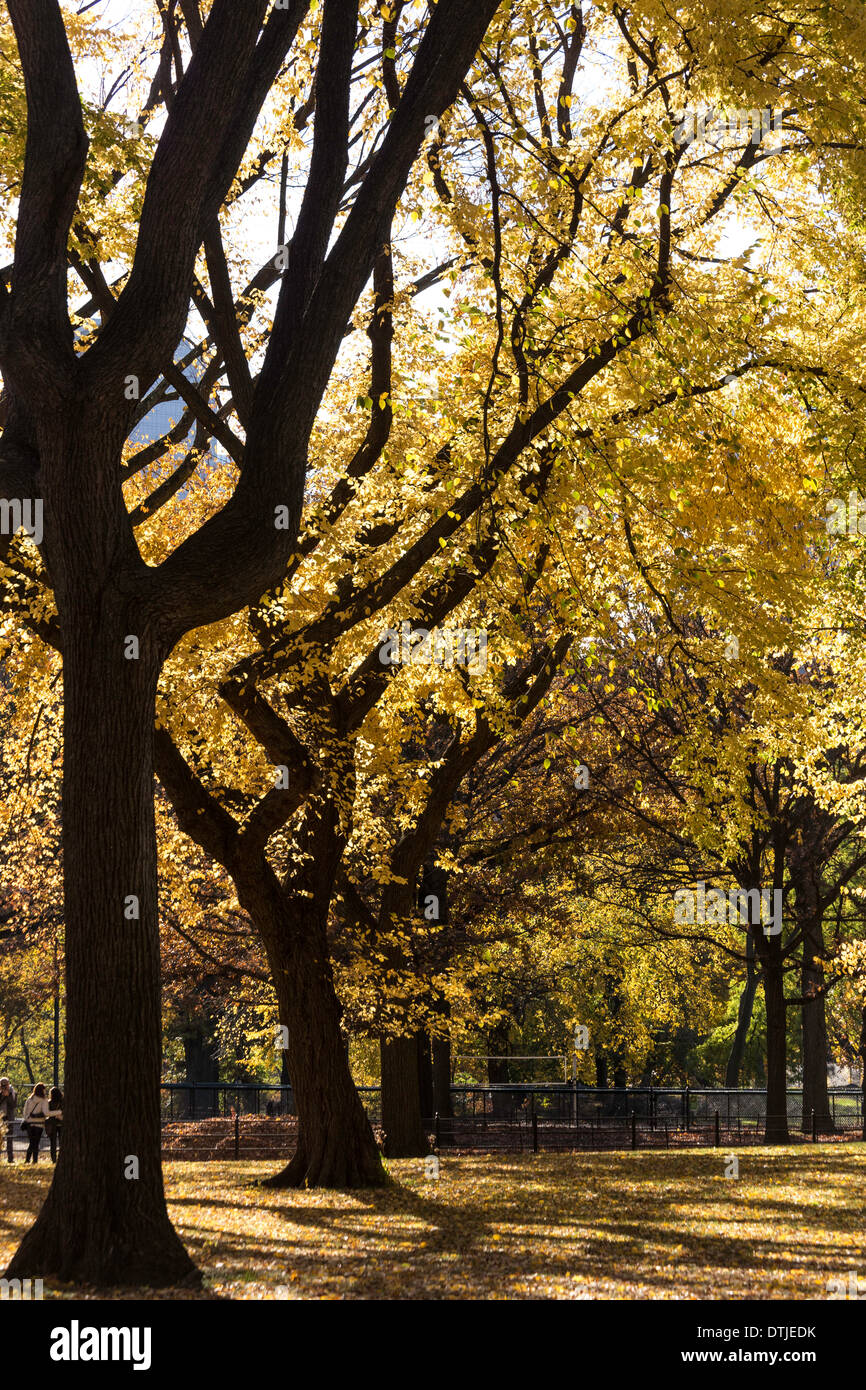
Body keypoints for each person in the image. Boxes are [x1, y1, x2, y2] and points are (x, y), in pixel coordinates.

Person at [22, 1083, 49, 1164]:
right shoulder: (44, 1100)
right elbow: (46, 1113)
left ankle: (27, 1160)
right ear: (42, 1090)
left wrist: (27, 1118)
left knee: (31, 1142)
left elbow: (25, 1112)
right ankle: (35, 1160)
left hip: (29, 1124)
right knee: (36, 1143)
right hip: (39, 1124)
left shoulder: (29, 1099)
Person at [0, 1078, 16, 1164]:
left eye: (5, 1084)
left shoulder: (12, 1092)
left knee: (9, 1138)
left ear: (8, 1084)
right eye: (2, 1084)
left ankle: (10, 1158)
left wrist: (8, 1095)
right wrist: (1, 1094)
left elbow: (13, 1105)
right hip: (1, 1117)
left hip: (9, 1117)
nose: (4, 1086)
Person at [45, 1086, 63, 1163]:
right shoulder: (63, 1102)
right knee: (62, 1142)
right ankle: (61, 1158)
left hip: (52, 1124)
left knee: (53, 1143)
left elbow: (47, 1113)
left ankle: (54, 1159)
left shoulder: (49, 1102)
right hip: (61, 1124)